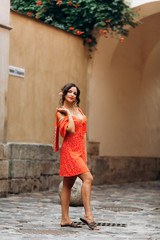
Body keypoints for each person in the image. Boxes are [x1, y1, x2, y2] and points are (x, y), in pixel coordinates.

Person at [54, 83, 99, 230]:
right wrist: (68, 114)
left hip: (79, 152)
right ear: (64, 93)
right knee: (88, 178)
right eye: (70, 92)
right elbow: (71, 130)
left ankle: (65, 219)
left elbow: (83, 133)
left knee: (67, 185)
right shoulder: (61, 112)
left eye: (75, 93)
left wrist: (84, 154)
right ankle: (88, 215)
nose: (72, 95)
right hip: (69, 151)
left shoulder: (79, 110)